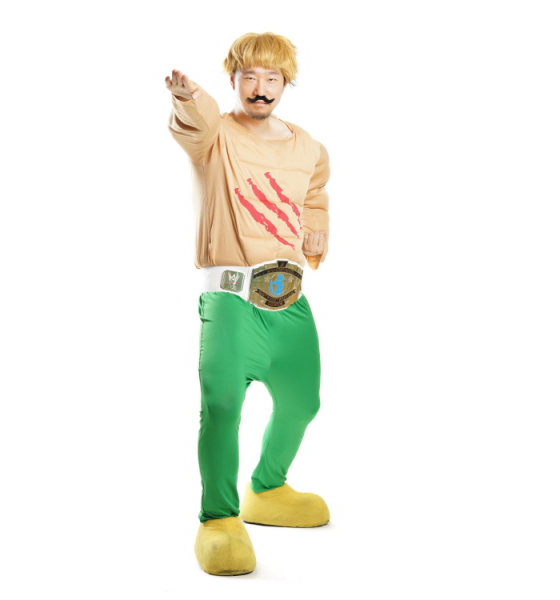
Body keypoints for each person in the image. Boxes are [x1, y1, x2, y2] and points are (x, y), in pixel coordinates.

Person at [165, 32, 331, 576]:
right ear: (233, 79)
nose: (261, 88)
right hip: (231, 300)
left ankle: (268, 488)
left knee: (303, 402)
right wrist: (188, 98)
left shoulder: (308, 146)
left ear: (286, 82)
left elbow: (314, 194)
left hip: (290, 300)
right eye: (250, 77)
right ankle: (219, 519)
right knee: (221, 406)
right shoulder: (216, 135)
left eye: (272, 78)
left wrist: (316, 228)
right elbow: (195, 123)